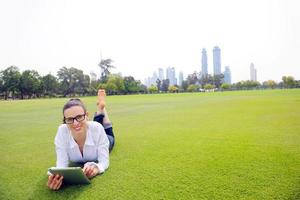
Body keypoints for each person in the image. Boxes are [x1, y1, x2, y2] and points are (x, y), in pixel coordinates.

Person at [47, 89, 115, 190]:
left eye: (79, 116)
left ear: (86, 115)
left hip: (106, 139)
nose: (75, 123)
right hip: (90, 126)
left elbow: (104, 161)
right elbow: (61, 165)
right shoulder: (62, 131)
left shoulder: (97, 128)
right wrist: (56, 178)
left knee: (107, 130)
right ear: (65, 120)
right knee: (85, 125)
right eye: (69, 119)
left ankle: (102, 108)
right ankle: (99, 109)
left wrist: (96, 169)